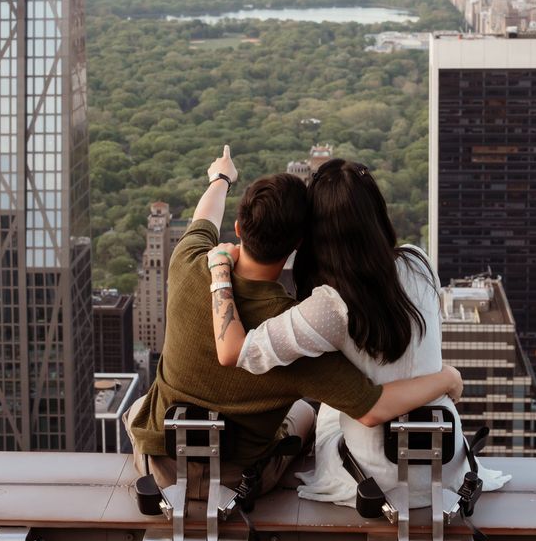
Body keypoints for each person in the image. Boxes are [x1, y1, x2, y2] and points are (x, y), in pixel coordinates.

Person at [126, 146, 463, 500]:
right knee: (303, 411)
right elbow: (371, 406)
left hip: (158, 463)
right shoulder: (301, 327)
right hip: (234, 477)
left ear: (239, 227)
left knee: (143, 404)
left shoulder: (189, 260)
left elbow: (205, 216)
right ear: (300, 242)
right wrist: (447, 377)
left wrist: (221, 179)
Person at [204, 157, 509, 508]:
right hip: (446, 466)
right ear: (376, 212)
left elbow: (235, 351)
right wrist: (446, 377)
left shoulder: (329, 305)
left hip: (372, 480)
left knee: (325, 410)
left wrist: (219, 269)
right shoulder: (418, 262)